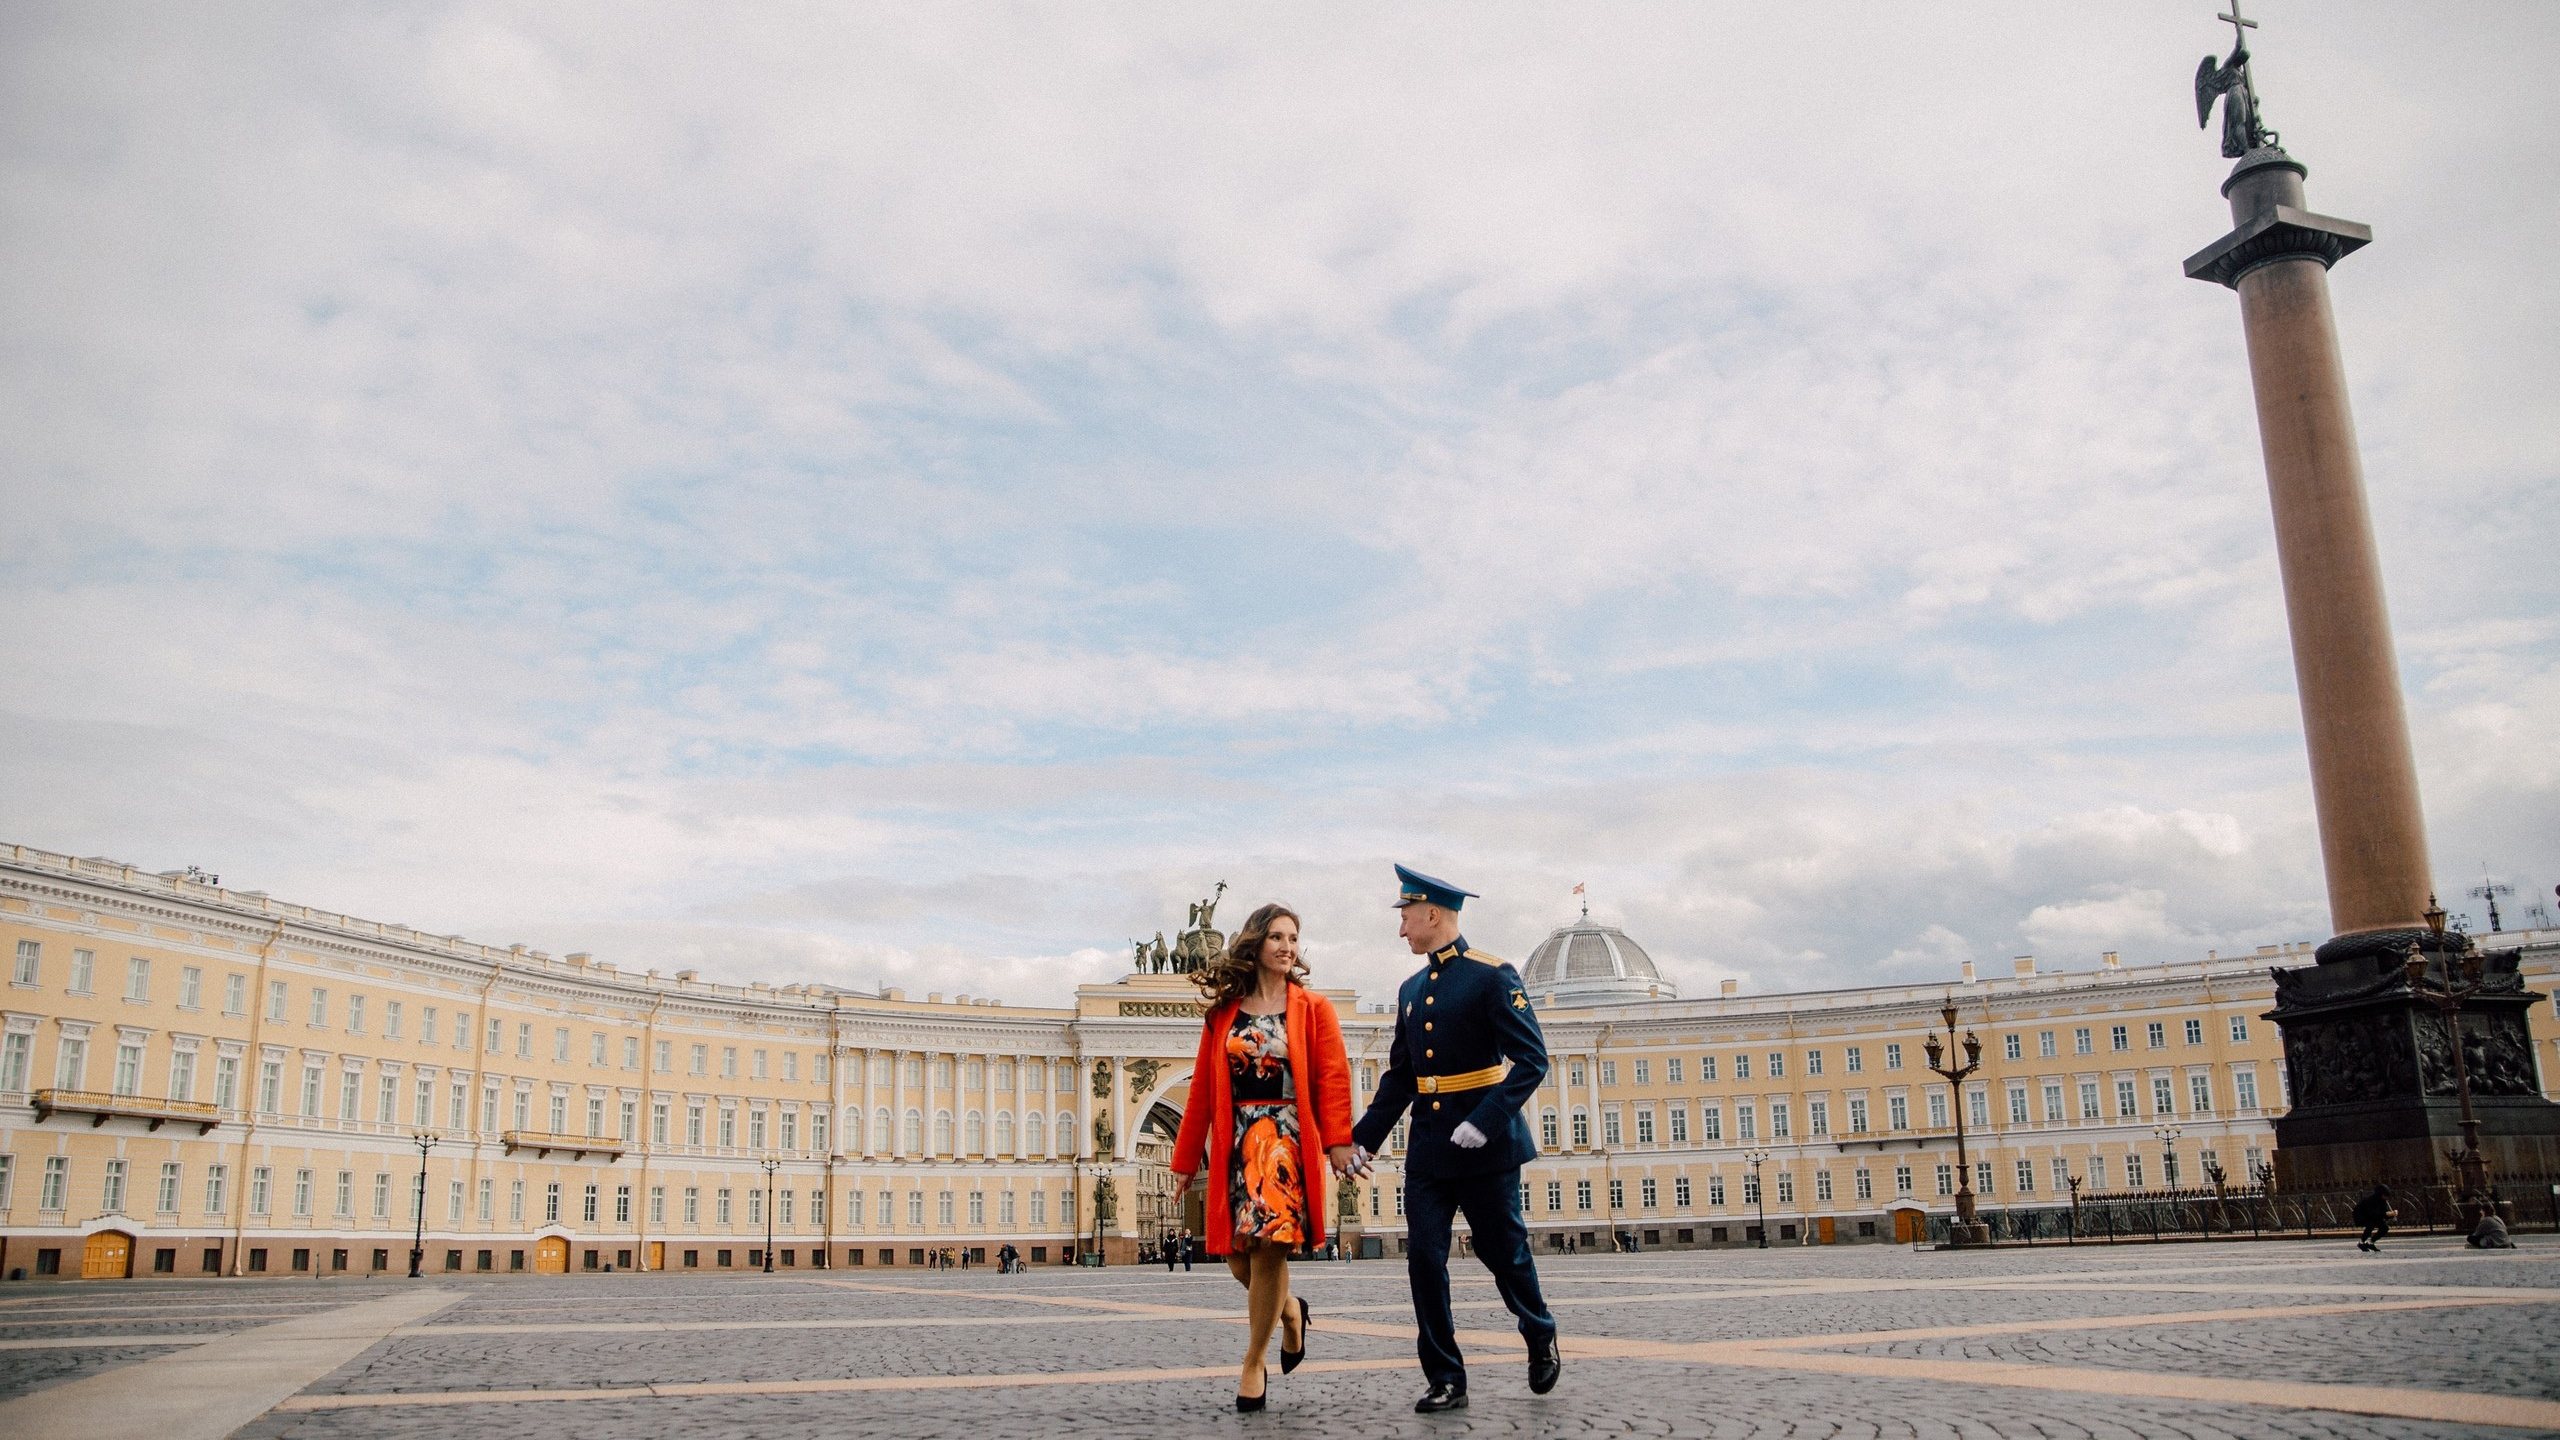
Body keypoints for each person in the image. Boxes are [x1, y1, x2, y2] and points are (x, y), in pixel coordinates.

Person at [1345, 865, 1562, 1414]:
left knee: (1503, 1252)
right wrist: (1363, 1139)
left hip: (1486, 1146)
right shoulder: (1411, 990)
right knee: (1424, 1259)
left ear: (1433, 914)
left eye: (1406, 917)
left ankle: (1539, 1331)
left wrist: (1485, 1120)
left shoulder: (1493, 976)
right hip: (1429, 1149)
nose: (1401, 929)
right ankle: (1445, 1376)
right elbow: (1401, 1077)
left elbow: (1532, 1060)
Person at [1170, 902, 1357, 1414]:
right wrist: (1186, 1160)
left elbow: (1333, 1079)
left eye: (1293, 938)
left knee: (1270, 1248)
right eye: (1277, 937)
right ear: (1255, 944)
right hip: (1236, 1142)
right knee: (1237, 1258)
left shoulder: (1314, 1008)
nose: (1287, 947)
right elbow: (1202, 1091)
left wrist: (1338, 1141)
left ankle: (1253, 1362)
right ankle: (1291, 1311)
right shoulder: (1222, 1015)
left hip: (1285, 1141)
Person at [2353, 1183, 2393, 1252]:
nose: (2386, 1198)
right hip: (2361, 1216)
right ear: (2380, 1194)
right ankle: (2361, 1242)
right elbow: (2371, 1213)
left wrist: (2391, 1215)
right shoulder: (2370, 1200)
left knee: (2384, 1228)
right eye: (2384, 1195)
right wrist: (2385, 1214)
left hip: (2373, 1217)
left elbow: (2383, 1212)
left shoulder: (2383, 1201)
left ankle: (2371, 1243)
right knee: (2370, 1225)